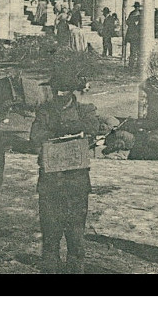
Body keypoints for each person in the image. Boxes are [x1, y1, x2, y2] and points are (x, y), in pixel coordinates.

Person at [30, 72, 102, 273]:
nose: (60, 93)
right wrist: (65, 132)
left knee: (76, 232)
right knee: (50, 231)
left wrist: (62, 131)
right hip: (51, 181)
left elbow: (92, 128)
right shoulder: (44, 110)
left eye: (65, 90)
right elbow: (35, 135)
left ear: (73, 92)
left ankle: (75, 269)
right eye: (57, 89)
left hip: (76, 181)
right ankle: (50, 268)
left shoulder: (84, 110)